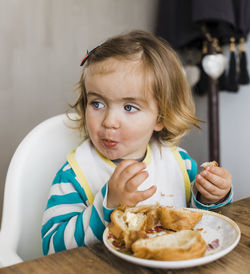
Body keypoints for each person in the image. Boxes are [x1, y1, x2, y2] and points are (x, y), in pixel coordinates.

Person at [41, 30, 232, 255]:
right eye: (97, 104)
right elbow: (52, 248)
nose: (109, 122)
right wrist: (107, 206)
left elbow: (203, 224)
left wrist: (210, 198)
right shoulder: (74, 175)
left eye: (129, 107)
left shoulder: (180, 164)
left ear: (160, 117)